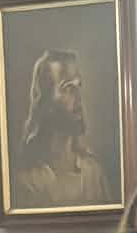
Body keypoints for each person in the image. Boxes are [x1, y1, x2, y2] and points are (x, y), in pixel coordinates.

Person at [13, 50, 111, 208]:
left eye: (78, 86)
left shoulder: (93, 173)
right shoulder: (28, 180)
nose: (79, 97)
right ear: (46, 102)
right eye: (68, 88)